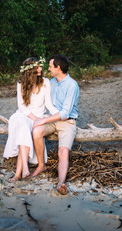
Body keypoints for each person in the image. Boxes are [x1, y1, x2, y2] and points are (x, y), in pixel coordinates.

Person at [3, 57, 59, 182]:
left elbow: (49, 104)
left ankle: (19, 173)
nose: (40, 69)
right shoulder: (21, 83)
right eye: (37, 67)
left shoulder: (45, 82)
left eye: (40, 66)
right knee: (23, 125)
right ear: (30, 70)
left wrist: (59, 115)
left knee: (24, 130)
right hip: (23, 115)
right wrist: (35, 119)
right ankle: (24, 169)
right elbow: (21, 106)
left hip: (39, 115)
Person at [32, 55, 79, 195]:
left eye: (51, 66)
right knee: (36, 131)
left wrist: (42, 120)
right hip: (52, 120)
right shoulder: (51, 82)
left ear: (58, 68)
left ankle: (60, 183)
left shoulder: (72, 85)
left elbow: (65, 113)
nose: (49, 69)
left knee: (63, 151)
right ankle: (41, 165)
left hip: (67, 122)